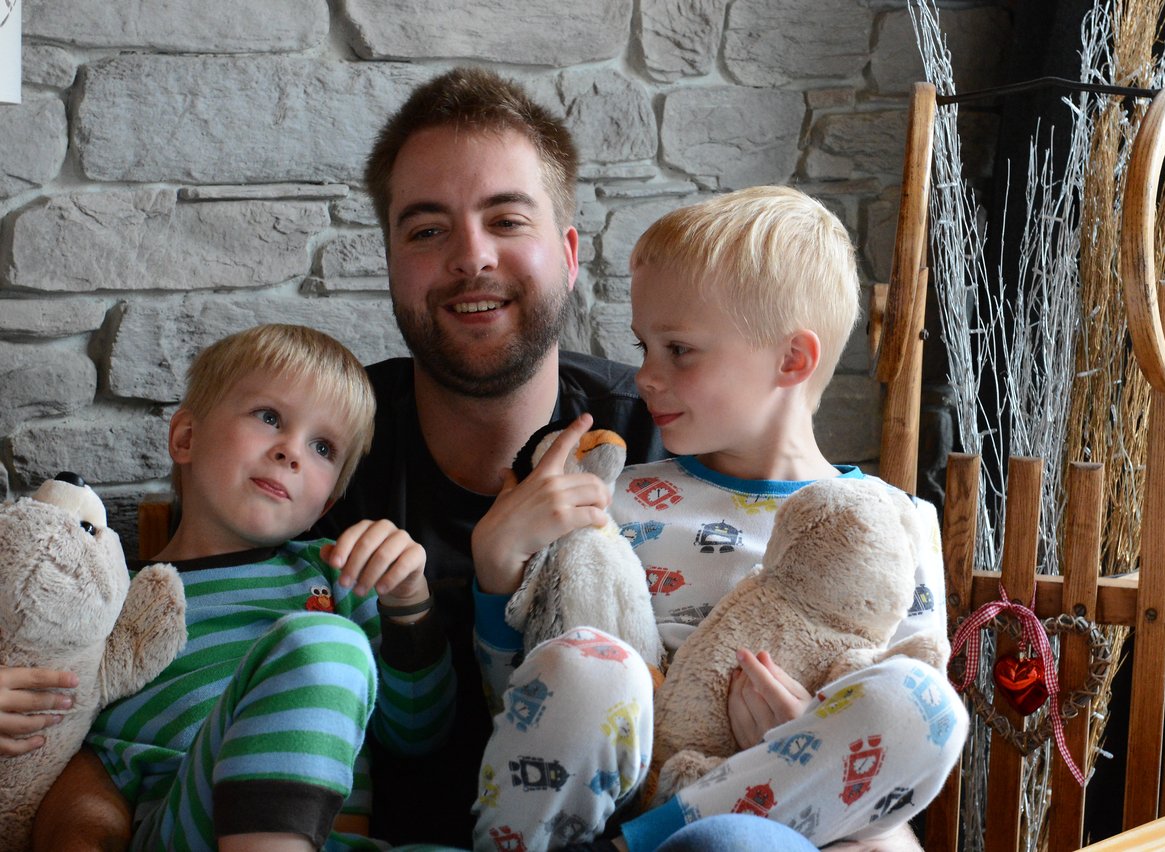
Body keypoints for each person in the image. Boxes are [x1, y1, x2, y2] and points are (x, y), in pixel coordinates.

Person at [470, 187, 967, 852]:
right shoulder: (611, 501)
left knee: (926, 703)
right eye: (645, 346)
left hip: (760, 828)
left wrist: (802, 740)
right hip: (591, 811)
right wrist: (494, 580)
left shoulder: (894, 526)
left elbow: (897, 750)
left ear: (792, 360)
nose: (645, 376)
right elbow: (521, 706)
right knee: (586, 663)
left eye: (680, 349)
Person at [311, 67, 665, 846]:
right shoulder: (323, 447)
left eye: (506, 220)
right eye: (427, 229)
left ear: (569, 254)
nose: (471, 257)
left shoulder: (659, 434)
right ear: (392, 264)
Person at [36, 323, 455, 851]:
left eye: (323, 447)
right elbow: (54, 724)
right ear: (186, 438)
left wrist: (406, 599)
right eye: (269, 417)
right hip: (188, 825)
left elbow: (418, 733)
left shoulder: (338, 574)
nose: (292, 452)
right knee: (326, 642)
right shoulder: (110, 596)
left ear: (325, 505)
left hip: (331, 838)